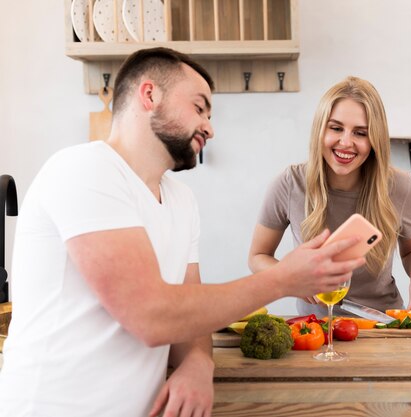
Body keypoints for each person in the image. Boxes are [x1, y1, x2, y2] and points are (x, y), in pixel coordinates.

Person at [0, 48, 365, 417]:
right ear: (150, 95)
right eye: (199, 107)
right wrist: (284, 279)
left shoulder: (181, 200)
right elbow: (151, 316)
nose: (210, 126)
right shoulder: (85, 169)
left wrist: (197, 364)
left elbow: (190, 310)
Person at [248, 76, 411, 319]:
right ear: (320, 129)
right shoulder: (290, 183)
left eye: (360, 133)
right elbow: (258, 257)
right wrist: (290, 278)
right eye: (336, 128)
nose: (346, 142)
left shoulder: (401, 187)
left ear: (375, 139)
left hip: (382, 325)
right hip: (318, 327)